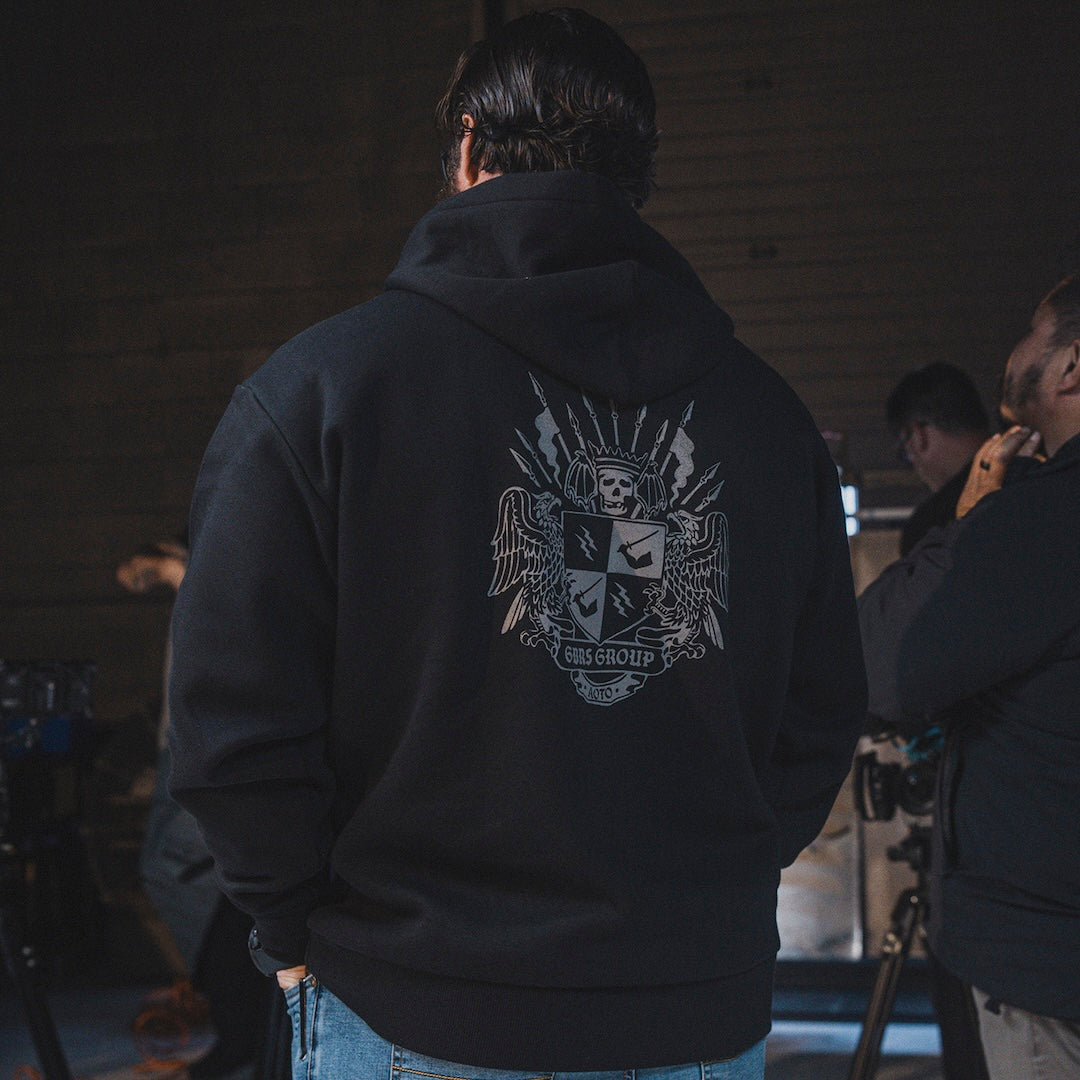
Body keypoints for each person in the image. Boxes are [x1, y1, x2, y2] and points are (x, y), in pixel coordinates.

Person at [167, 9, 866, 1079]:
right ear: (638, 174)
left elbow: (231, 721)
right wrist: (695, 907)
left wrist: (292, 925)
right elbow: (819, 716)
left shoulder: (321, 392)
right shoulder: (770, 423)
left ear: (464, 144)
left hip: (412, 999)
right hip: (693, 1009)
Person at [858, 272, 1080, 1080]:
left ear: (1071, 367)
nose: (1016, 349)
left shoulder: (1037, 518)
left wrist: (976, 516)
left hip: (1050, 963)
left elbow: (879, 664)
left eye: (1034, 329)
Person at [117, 536, 272, 1079]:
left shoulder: (229, 590)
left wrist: (179, 575)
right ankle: (237, 1023)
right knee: (181, 872)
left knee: (172, 868)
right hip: (192, 747)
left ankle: (238, 1023)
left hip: (210, 748)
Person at [885, 361, 991, 555]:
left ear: (919, 436)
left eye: (905, 451)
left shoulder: (930, 530)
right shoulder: (1035, 477)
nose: (914, 465)